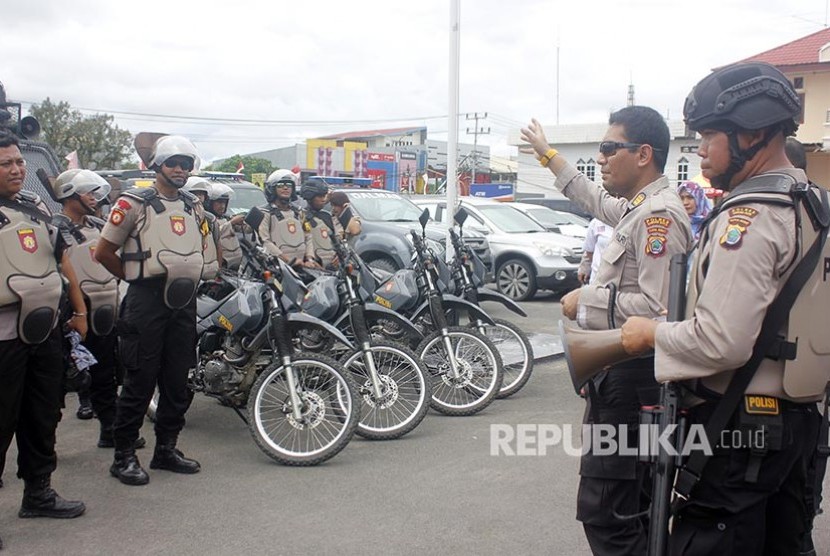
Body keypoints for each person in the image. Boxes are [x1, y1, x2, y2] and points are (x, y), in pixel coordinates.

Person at [621, 62, 827, 554]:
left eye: (710, 134)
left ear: (753, 134)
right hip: (798, 423)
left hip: (740, 426)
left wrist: (650, 334)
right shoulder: (812, 204)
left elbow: (721, 341)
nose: (701, 149)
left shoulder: (751, 217)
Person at [521, 106, 693, 556]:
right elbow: (592, 199)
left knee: (608, 512)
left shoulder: (660, 217)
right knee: (628, 509)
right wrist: (547, 156)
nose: (599, 157)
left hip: (634, 382)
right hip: (621, 375)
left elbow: (662, 311)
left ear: (643, 154)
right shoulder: (638, 208)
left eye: (608, 148)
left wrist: (589, 301)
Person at [95, 135, 207, 486]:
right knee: (139, 380)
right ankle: (124, 456)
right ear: (157, 164)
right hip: (146, 301)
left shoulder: (193, 205)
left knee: (178, 380)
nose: (180, 170)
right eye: (173, 162)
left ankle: (166, 450)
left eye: (186, 165)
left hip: (183, 302)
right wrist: (134, 278)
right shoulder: (133, 203)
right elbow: (103, 252)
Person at [0, 131, 87, 547]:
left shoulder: (34, 206)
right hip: (3, 335)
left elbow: (61, 259)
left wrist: (80, 309)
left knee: (41, 416)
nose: (17, 169)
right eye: (6, 164)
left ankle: (38, 492)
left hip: (45, 327)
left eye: (18, 161)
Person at [51, 169, 147, 451]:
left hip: (106, 305)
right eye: (87, 193)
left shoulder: (97, 224)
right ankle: (44, 443)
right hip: (72, 311)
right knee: (58, 381)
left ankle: (110, 430)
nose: (94, 199)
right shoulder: (54, 227)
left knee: (106, 373)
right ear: (69, 194)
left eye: (95, 193)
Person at [784, 135, 826, 556]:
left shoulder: (783, 211)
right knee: (800, 497)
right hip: (814, 379)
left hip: (777, 377)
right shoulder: (822, 210)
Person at [258, 169, 315, 270]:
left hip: (302, 266)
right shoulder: (265, 213)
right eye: (280, 185)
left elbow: (308, 236)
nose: (285, 188)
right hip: (278, 267)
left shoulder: (299, 212)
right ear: (272, 188)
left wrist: (309, 259)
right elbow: (265, 241)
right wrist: (288, 260)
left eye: (289, 185)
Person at [183, 176, 221, 279]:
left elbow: (218, 245)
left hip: (208, 271)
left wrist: (219, 272)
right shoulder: (182, 216)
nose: (198, 197)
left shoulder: (210, 219)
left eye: (201, 194)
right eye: (195, 193)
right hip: (188, 270)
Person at [205, 182, 243, 270]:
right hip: (221, 264)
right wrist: (231, 223)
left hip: (235, 264)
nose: (222, 206)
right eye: (219, 202)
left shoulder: (226, 218)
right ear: (209, 203)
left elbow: (246, 230)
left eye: (224, 203)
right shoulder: (208, 220)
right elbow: (214, 233)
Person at [300, 181, 337, 269]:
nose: (323, 199)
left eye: (324, 196)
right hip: (312, 266)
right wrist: (308, 260)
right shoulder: (301, 216)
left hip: (332, 266)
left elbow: (335, 239)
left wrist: (339, 256)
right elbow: (302, 241)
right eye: (320, 196)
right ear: (310, 197)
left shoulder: (326, 216)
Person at [578, 218, 614, 285]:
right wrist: (585, 268)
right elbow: (589, 250)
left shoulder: (632, 219)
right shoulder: (597, 222)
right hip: (598, 278)